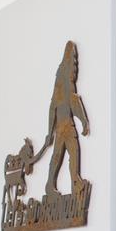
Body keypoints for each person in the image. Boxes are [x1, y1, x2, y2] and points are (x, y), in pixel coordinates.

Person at [35, 41, 90, 195]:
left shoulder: (63, 83)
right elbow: (65, 104)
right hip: (63, 126)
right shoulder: (64, 80)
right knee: (64, 154)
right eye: (73, 60)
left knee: (66, 153)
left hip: (64, 125)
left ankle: (69, 182)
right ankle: (59, 184)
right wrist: (50, 132)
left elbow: (64, 104)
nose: (75, 65)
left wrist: (83, 121)